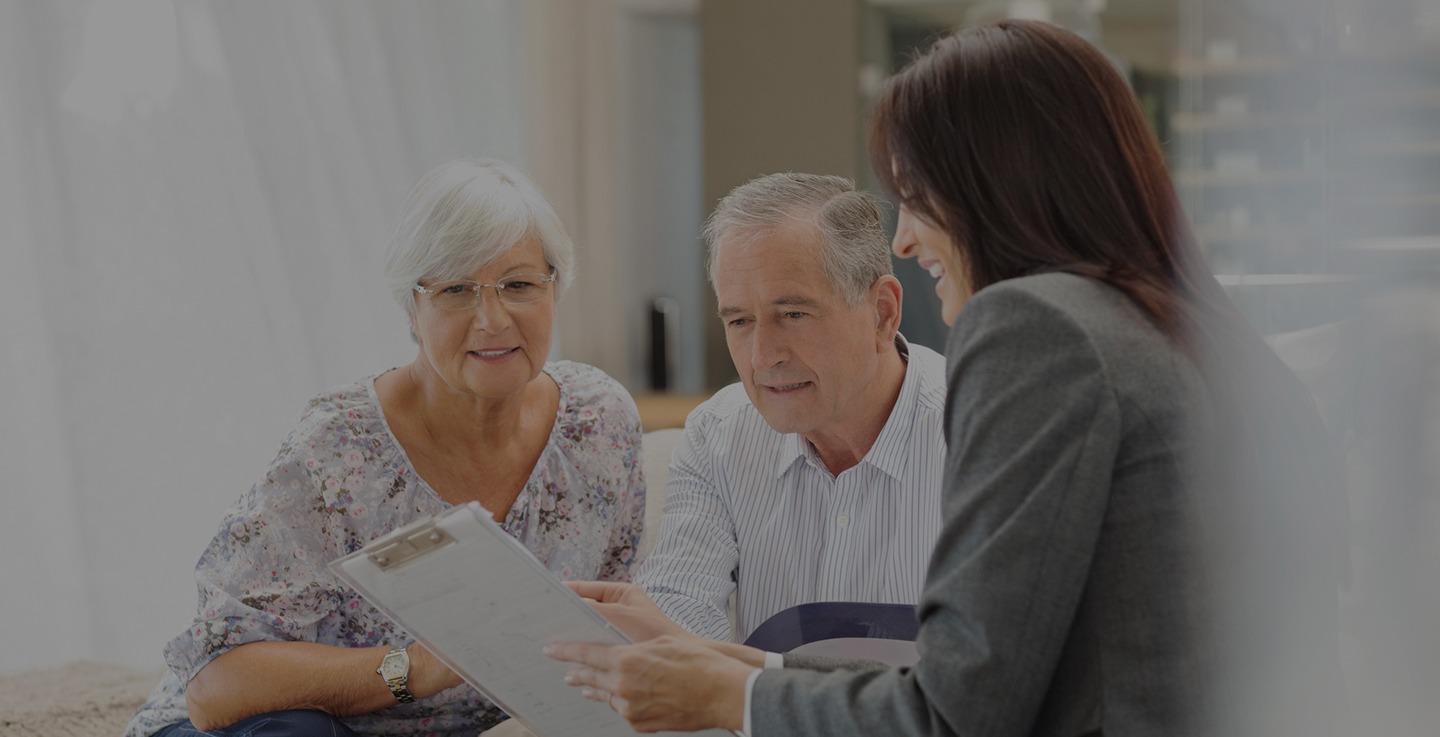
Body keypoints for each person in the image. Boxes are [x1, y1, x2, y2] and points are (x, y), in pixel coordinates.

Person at [547, 19, 1345, 737]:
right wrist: (742, 670)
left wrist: (729, 700)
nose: (903, 236)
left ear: (996, 183)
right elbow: (989, 680)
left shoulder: (1041, 331)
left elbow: (960, 714)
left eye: (914, 196)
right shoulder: (1181, 331)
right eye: (739, 319)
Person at [126, 158, 647, 737]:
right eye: (455, 290)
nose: (492, 318)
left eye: (519, 285)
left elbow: (614, 635)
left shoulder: (600, 422)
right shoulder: (338, 445)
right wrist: (419, 667)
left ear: (556, 289)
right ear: (411, 308)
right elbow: (215, 687)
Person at [627, 172, 948, 644]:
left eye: (793, 314)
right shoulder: (717, 436)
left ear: (882, 312)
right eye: (739, 321)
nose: (762, 358)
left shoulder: (981, 433)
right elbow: (677, 626)